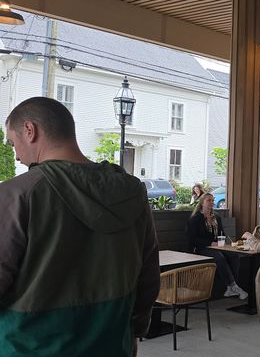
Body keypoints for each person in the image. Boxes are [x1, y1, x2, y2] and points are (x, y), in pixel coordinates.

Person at [0, 97, 159, 356]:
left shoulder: (16, 194)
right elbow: (148, 273)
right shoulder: (132, 192)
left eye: (12, 142)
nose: (16, 155)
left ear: (30, 131)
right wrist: (134, 331)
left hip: (27, 346)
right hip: (111, 343)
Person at [186, 193, 248, 299]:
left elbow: (221, 233)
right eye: (208, 200)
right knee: (219, 257)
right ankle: (233, 286)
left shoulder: (216, 217)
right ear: (202, 203)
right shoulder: (195, 219)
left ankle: (231, 286)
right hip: (201, 248)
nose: (211, 202)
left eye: (212, 200)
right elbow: (192, 239)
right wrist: (210, 243)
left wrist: (222, 241)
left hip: (217, 246)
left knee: (234, 255)